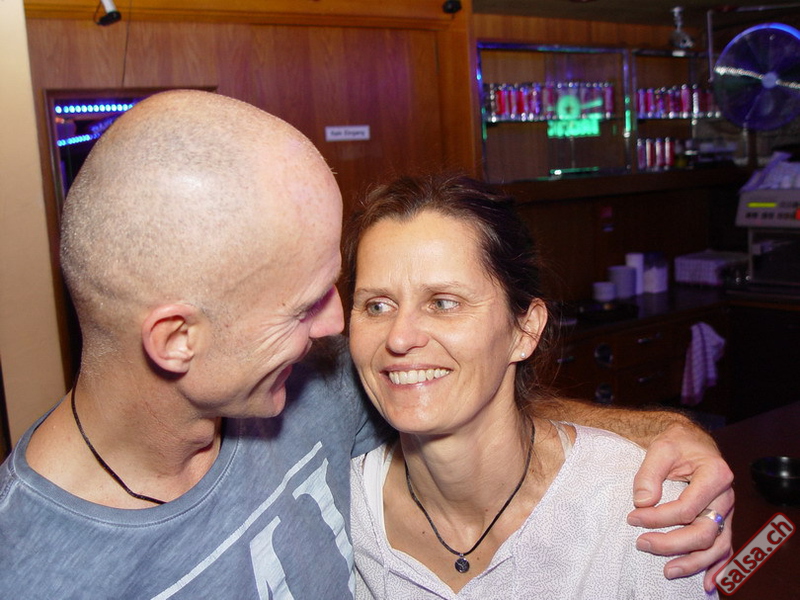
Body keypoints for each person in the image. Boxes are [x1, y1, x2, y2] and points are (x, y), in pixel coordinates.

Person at [0, 90, 730, 599]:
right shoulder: (30, 573)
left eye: (342, 292)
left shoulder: (301, 387)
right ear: (177, 339)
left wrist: (666, 433)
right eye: (305, 304)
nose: (338, 328)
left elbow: (469, 388)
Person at [345, 173, 727, 598]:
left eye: (443, 303)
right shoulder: (341, 508)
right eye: (376, 306)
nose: (399, 338)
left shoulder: (641, 513)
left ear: (525, 330)